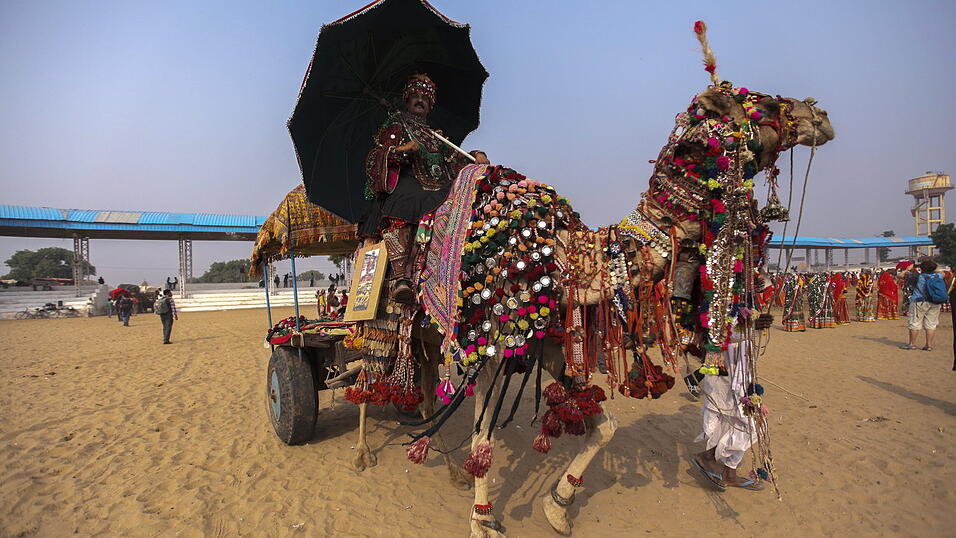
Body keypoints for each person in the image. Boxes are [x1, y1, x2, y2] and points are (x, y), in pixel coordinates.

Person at [360, 73, 488, 305]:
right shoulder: (396, 126)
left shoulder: (434, 135)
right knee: (405, 203)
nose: (420, 100)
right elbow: (375, 156)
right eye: (416, 96)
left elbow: (454, 158)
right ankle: (401, 277)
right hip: (409, 182)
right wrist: (401, 150)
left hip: (438, 185)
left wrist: (476, 155)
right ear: (407, 100)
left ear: (430, 105)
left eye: (426, 98)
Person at [693, 311, 773, 491]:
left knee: (738, 423)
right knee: (750, 424)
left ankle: (728, 471)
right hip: (722, 375)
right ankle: (709, 457)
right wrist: (751, 327)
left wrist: (755, 326)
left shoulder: (746, 300)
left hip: (740, 375)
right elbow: (717, 332)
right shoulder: (719, 299)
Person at [901, 259, 944, 351]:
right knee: (931, 324)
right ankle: (928, 345)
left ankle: (912, 344)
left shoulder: (917, 277)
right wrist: (934, 269)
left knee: (915, 322)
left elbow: (900, 276)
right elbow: (942, 273)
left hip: (919, 301)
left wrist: (907, 269)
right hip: (934, 301)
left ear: (922, 268)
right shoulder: (938, 276)